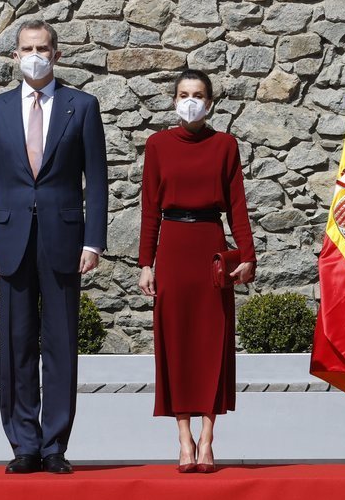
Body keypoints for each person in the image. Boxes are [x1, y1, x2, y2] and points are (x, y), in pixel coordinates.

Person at [0, 20, 108, 474]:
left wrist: (94, 240)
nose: (35, 55)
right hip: (9, 240)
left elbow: (97, 181)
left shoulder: (82, 107)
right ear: (15, 56)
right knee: (16, 345)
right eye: (27, 48)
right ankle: (24, 444)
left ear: (57, 54)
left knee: (61, 344)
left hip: (64, 238)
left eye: (43, 47)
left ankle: (55, 446)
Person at [138, 70, 256, 473]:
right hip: (172, 247)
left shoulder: (225, 145)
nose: (191, 100)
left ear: (210, 103)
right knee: (176, 343)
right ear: (174, 100)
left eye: (198, 94)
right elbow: (150, 209)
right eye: (184, 94)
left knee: (212, 342)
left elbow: (237, 204)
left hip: (211, 246)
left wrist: (247, 255)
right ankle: (183, 439)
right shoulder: (157, 145)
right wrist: (145, 263)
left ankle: (208, 439)